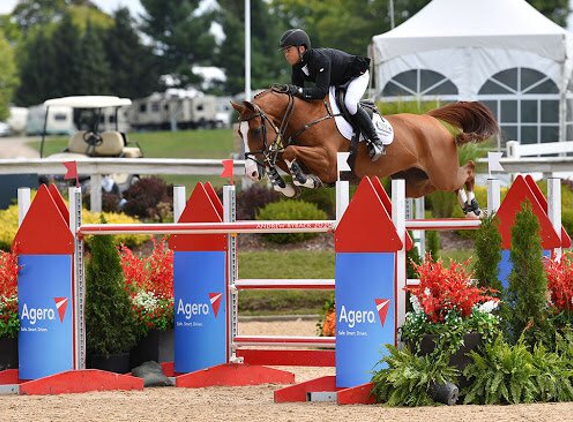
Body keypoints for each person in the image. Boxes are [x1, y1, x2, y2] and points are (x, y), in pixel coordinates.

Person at [279, 28, 385, 161]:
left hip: (356, 75)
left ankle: (376, 141)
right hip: (336, 82)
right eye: (285, 52)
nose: (286, 55)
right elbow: (299, 96)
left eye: (288, 50)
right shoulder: (297, 68)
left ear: (301, 49)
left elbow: (320, 91)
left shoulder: (319, 59)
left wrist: (297, 91)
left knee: (350, 104)